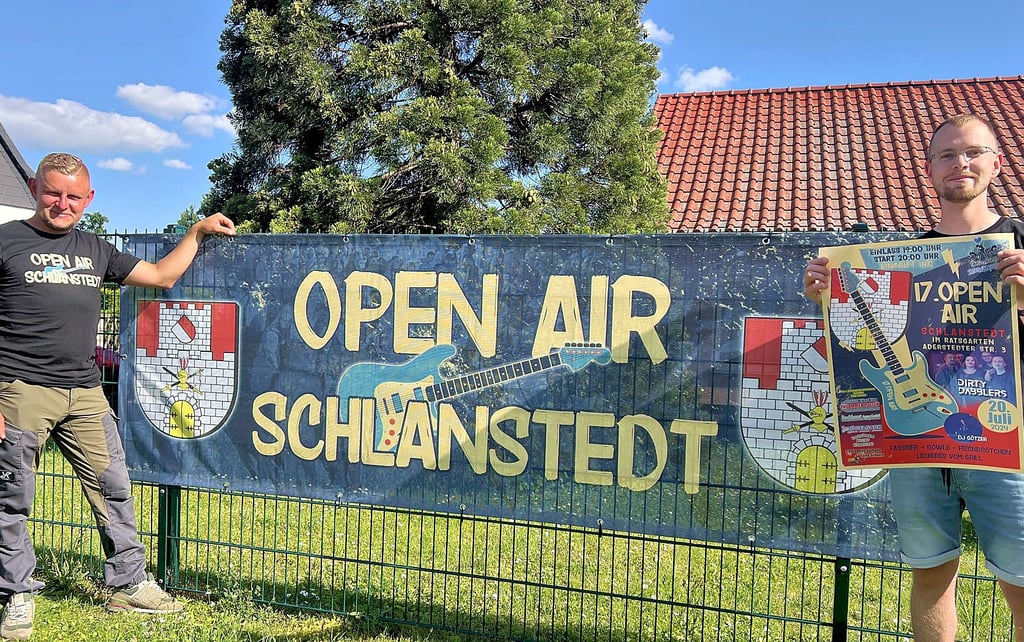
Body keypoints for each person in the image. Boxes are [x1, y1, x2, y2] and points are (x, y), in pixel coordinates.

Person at [804, 113, 1024, 642]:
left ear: (996, 162)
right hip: (917, 441)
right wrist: (828, 301)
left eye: (972, 152)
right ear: (929, 170)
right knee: (929, 575)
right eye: (946, 155)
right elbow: (866, 344)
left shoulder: (1021, 246)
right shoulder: (904, 261)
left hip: (1007, 441)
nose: (960, 164)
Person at [0, 153, 235, 640]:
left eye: (73, 196)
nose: (62, 204)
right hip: (19, 390)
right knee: (11, 498)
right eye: (52, 192)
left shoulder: (94, 248)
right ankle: (15, 592)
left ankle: (128, 583)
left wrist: (195, 232)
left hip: (85, 393)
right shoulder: (6, 242)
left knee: (114, 488)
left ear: (89, 199)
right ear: (33, 186)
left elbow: (160, 277)